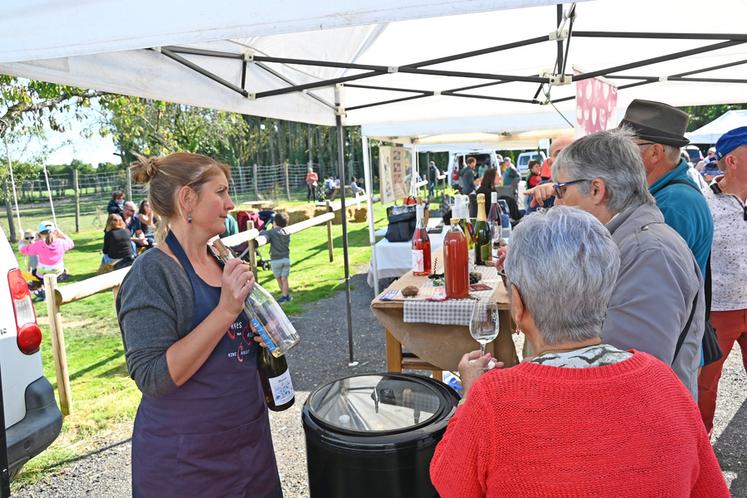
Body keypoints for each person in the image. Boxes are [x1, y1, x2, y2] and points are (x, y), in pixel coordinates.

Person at [430, 207, 729, 498]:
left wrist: (469, 396)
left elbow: (450, 484)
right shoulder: (665, 383)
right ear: (606, 292)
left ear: (518, 304)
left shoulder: (493, 399)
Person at [117, 152, 282, 497]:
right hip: (186, 463)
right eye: (220, 192)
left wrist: (258, 332)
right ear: (187, 199)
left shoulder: (221, 258)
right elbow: (153, 377)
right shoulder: (153, 273)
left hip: (249, 449)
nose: (230, 203)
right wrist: (225, 311)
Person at [551, 129, 705, 397]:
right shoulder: (626, 241)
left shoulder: (649, 253)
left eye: (562, 190)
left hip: (648, 426)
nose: (558, 201)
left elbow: (630, 376)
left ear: (597, 189)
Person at [619, 99, 713, 276]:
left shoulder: (673, 202)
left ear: (655, 152)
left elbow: (652, 278)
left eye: (625, 146)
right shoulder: (670, 194)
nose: (618, 153)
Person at [698, 126, 747, 435]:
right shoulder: (705, 205)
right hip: (719, 309)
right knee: (705, 384)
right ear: (732, 160)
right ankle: (699, 449)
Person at [19, 221, 74, 300]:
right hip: (58, 271)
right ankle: (44, 290)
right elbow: (71, 243)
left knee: (35, 273)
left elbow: (22, 250)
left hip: (42, 272)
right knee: (57, 272)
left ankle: (36, 285)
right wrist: (62, 234)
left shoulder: (38, 244)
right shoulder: (61, 242)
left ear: (39, 234)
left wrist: (21, 238)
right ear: (55, 232)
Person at [260, 212, 292, 303]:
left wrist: (264, 230)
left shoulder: (271, 232)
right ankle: (286, 295)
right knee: (284, 278)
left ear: (274, 223)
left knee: (279, 278)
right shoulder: (287, 232)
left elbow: (262, 233)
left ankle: (284, 295)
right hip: (286, 259)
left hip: (275, 260)